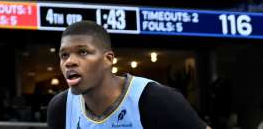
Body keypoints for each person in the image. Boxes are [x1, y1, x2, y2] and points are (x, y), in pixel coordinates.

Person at [48, 21, 207, 129]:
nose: (70, 62)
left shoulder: (156, 99)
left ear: (108, 59)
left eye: (83, 52)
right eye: (64, 55)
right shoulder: (60, 107)